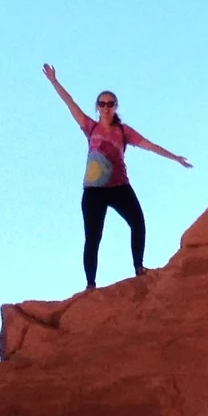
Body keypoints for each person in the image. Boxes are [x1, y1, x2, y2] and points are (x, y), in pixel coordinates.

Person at [43, 64, 192, 288]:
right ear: (97, 107)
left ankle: (139, 267)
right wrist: (54, 81)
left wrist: (175, 158)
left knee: (138, 222)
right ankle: (91, 284)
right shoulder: (90, 127)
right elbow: (70, 104)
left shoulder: (123, 131)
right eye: (102, 104)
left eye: (110, 104)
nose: (106, 108)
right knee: (93, 237)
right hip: (94, 191)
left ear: (116, 106)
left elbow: (150, 145)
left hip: (119, 187)